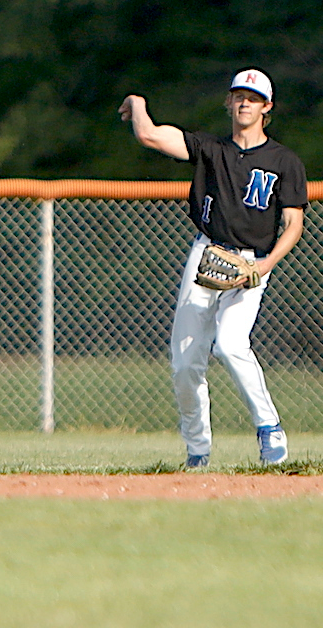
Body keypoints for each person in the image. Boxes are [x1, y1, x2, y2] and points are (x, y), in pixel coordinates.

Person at [119, 70, 308, 468]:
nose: (245, 103)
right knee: (186, 362)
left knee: (231, 344)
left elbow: (293, 224)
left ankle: (269, 428)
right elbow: (150, 136)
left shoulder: (284, 161)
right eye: (239, 96)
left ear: (267, 107)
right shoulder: (210, 149)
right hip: (207, 253)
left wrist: (265, 264)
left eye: (253, 98)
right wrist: (137, 104)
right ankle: (198, 449)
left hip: (253, 262)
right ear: (229, 102)